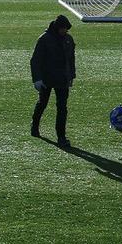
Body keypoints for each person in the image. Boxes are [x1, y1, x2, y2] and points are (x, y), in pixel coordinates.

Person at [30, 14, 76, 147]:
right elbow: (35, 61)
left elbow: (71, 59)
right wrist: (37, 79)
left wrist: (71, 76)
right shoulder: (44, 39)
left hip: (62, 79)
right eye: (63, 29)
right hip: (47, 78)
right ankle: (35, 126)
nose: (65, 32)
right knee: (42, 103)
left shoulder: (68, 39)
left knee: (62, 108)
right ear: (57, 28)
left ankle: (61, 137)